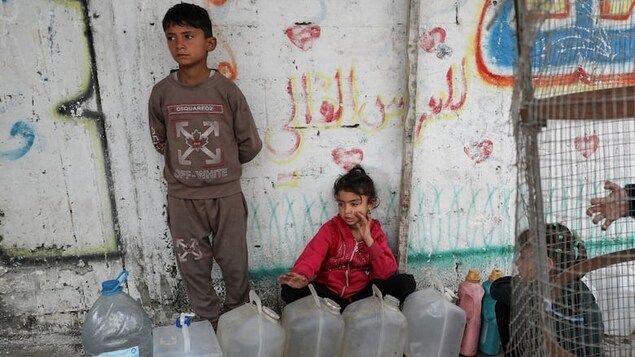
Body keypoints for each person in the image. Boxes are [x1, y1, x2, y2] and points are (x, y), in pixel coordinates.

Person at [148, 3, 262, 328]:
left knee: (234, 262)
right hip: (182, 200)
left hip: (226, 197)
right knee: (193, 267)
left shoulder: (227, 92)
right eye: (171, 38)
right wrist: (189, 169)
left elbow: (250, 143)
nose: (179, 45)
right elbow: (161, 141)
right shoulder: (161, 94)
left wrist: (221, 168)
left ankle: (237, 318)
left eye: (188, 36)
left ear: (209, 43)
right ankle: (208, 323)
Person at [278, 165, 416, 310]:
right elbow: (312, 255)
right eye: (341, 204)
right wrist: (302, 276)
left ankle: (364, 313)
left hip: (363, 297)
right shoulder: (331, 229)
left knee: (406, 282)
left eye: (354, 204)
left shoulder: (375, 231)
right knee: (289, 290)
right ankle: (336, 312)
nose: (347, 211)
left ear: (371, 204)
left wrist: (369, 240)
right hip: (330, 297)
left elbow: (386, 273)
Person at [491, 223, 604, 357]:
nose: (517, 262)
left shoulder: (545, 294)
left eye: (522, 257)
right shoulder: (577, 287)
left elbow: (496, 287)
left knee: (506, 306)